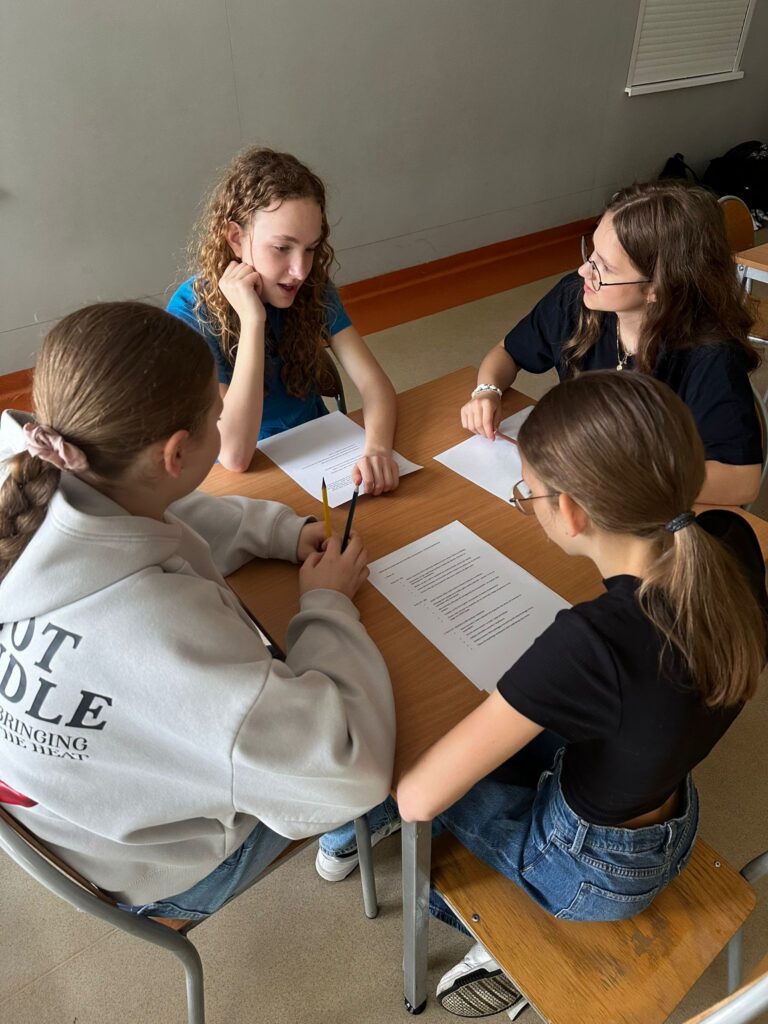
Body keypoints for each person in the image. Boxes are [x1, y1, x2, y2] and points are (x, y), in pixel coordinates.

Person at [0, 301, 395, 919]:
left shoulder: (37, 480)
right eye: (217, 415)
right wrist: (328, 605)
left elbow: (162, 512)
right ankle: (360, 840)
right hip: (158, 866)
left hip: (76, 818)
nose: (223, 422)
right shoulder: (156, 628)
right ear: (177, 453)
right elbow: (350, 768)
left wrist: (282, 531)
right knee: (410, 758)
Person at [398, 371, 767, 1019]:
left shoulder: (590, 643)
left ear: (569, 512)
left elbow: (417, 798)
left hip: (589, 871)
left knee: (396, 766)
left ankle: (503, 942)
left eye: (527, 493)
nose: (528, 502)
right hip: (668, 813)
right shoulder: (730, 540)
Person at [460, 180, 762, 507]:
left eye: (604, 267)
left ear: (656, 288)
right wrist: (487, 391)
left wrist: (612, 481)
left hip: (646, 508)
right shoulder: (576, 299)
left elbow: (741, 482)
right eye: (591, 253)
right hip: (584, 487)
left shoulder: (710, 356)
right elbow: (507, 352)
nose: (584, 270)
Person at [167, 146, 399, 492]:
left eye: (311, 248)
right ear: (236, 238)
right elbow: (235, 455)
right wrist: (252, 321)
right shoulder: (190, 312)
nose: (300, 271)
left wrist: (378, 451)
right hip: (251, 479)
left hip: (320, 454)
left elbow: (376, 387)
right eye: (281, 248)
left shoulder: (312, 288)